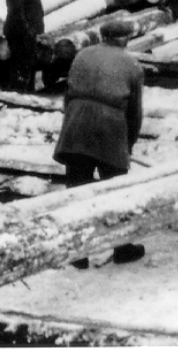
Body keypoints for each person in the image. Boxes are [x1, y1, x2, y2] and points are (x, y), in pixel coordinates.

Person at [53, 20, 145, 268]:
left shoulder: (82, 55)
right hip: (110, 127)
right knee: (116, 190)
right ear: (125, 39)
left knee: (77, 189)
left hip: (76, 123)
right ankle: (122, 248)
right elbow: (134, 113)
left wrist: (73, 119)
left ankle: (78, 254)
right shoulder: (132, 65)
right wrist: (128, 144)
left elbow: (67, 96)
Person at [4, 0, 45, 93]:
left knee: (27, 70)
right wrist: (27, 30)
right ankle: (19, 98)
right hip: (20, 32)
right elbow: (16, 8)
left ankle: (24, 95)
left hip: (26, 31)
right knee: (22, 71)